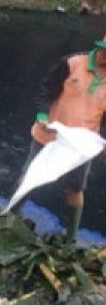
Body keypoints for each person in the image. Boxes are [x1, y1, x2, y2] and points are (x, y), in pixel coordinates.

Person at [17, 35, 106, 237]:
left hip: (80, 147)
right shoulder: (72, 63)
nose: (104, 56)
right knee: (29, 177)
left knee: (75, 189)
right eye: (103, 51)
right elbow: (47, 90)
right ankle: (12, 215)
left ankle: (71, 238)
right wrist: (42, 115)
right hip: (49, 135)